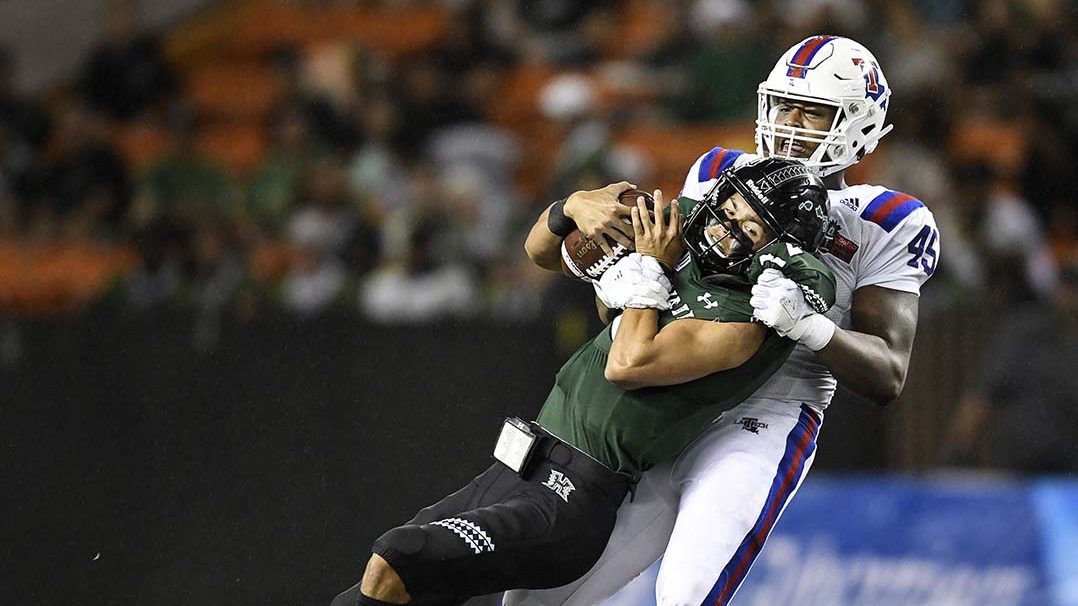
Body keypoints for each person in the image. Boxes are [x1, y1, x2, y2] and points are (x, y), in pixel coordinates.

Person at [506, 35, 941, 606]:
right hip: (674, 401)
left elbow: (888, 375)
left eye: (812, 111)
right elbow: (647, 300)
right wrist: (625, 281)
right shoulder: (720, 172)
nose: (789, 124)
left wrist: (814, 328)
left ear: (858, 126)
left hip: (765, 418)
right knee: (534, 596)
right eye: (783, 105)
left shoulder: (886, 219)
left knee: (688, 594)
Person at [328, 158, 835, 606]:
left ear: (778, 251)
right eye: (731, 212)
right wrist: (569, 208)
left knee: (397, 556)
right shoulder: (675, 233)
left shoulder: (744, 320)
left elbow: (628, 364)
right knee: (368, 593)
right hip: (519, 466)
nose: (728, 231)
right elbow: (542, 253)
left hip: (570, 498)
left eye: (751, 230)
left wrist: (648, 271)